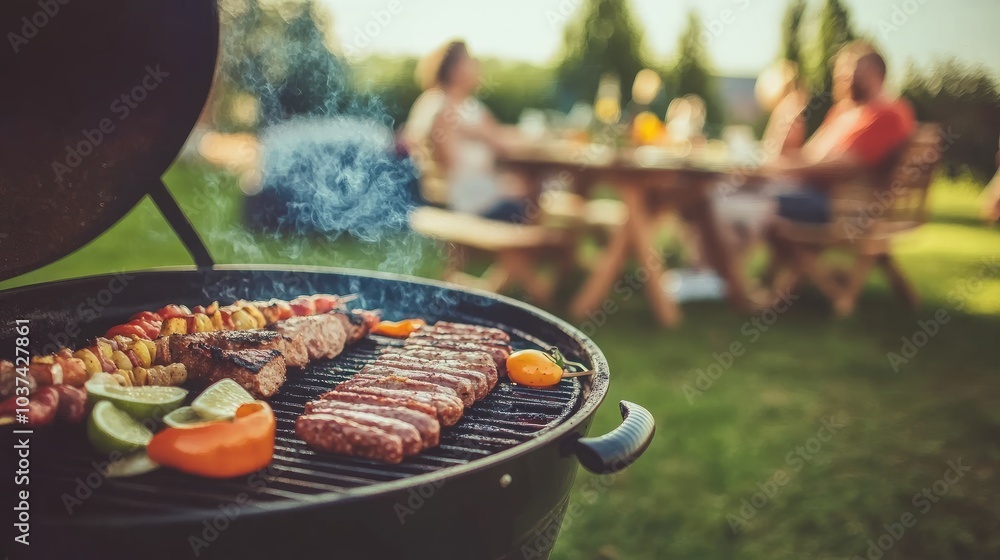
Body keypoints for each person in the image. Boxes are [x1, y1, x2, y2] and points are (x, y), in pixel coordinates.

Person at [401, 40, 527, 223]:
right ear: (455, 69)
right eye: (471, 61)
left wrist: (481, 134)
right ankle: (538, 247)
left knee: (524, 185)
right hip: (463, 197)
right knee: (530, 190)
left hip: (462, 192)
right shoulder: (440, 108)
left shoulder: (464, 106)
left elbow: (498, 135)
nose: (478, 67)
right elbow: (451, 165)